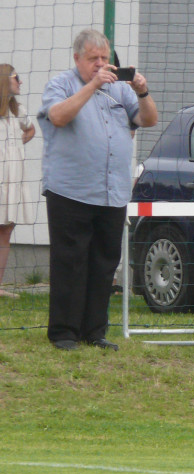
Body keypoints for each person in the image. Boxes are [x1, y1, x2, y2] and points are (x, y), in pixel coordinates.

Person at [37, 29, 158, 350]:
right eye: (93, 59)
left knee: (104, 263)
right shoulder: (60, 84)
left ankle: (95, 332)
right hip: (70, 191)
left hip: (112, 191)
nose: (101, 64)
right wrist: (92, 85)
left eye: (104, 58)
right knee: (70, 261)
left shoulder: (119, 89)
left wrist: (143, 93)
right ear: (77, 58)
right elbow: (58, 117)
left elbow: (149, 120)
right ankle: (64, 332)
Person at [0, 64, 35, 299]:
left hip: (13, 177)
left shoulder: (18, 111)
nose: (20, 82)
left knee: (6, 229)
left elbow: (31, 130)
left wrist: (13, 149)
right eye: (16, 78)